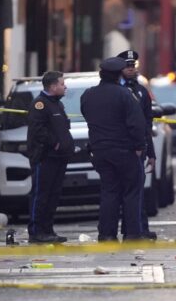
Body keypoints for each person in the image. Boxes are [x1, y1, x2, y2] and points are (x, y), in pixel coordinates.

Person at [80, 57, 146, 241]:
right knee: (131, 192)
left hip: (100, 151)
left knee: (109, 191)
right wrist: (140, 146)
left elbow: (87, 116)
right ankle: (132, 233)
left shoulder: (88, 95)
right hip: (124, 151)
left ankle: (107, 234)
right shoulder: (124, 95)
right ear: (118, 75)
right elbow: (136, 124)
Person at [27, 71, 74, 243]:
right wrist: (55, 143)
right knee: (41, 194)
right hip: (45, 158)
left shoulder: (57, 104)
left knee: (53, 195)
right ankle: (36, 231)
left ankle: (48, 230)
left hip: (59, 157)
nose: (65, 86)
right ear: (53, 86)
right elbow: (38, 130)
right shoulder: (40, 104)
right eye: (62, 84)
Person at [117, 50, 157, 240]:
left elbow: (147, 124)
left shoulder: (141, 91)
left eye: (133, 66)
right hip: (119, 147)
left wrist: (151, 152)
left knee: (137, 190)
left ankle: (139, 228)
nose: (131, 70)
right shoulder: (115, 88)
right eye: (128, 67)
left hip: (138, 149)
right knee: (120, 192)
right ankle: (125, 230)